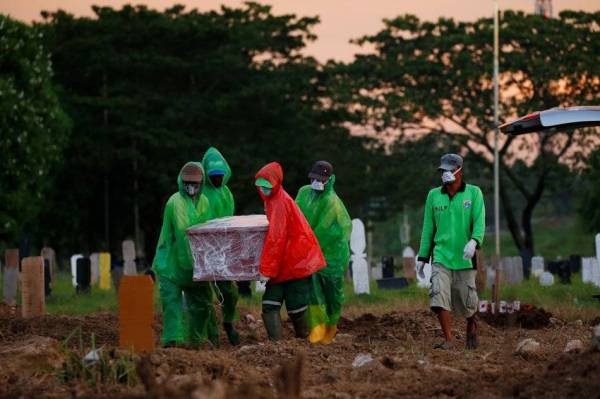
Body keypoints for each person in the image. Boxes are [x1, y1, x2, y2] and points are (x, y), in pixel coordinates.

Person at [416, 154, 485, 350]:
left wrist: (474, 241)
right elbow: (428, 228)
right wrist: (422, 257)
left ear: (460, 171)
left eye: (450, 170)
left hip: (465, 257)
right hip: (441, 256)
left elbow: (480, 222)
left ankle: (471, 324)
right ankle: (448, 339)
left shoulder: (474, 193)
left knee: (468, 301)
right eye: (443, 170)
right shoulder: (433, 196)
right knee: (438, 295)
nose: (445, 174)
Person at [254, 162, 326, 341]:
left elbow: (276, 239)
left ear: (276, 184)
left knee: (297, 305)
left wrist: (266, 270)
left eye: (267, 186)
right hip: (286, 261)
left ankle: (307, 338)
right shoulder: (273, 200)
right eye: (261, 186)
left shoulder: (279, 203)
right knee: (271, 303)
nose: (264, 189)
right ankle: (278, 344)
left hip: (296, 261)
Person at [153, 162, 216, 347]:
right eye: (188, 182)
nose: (192, 186)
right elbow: (182, 236)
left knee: (201, 305)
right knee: (172, 306)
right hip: (172, 264)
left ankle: (196, 343)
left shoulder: (204, 201)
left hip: (194, 265)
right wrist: (195, 267)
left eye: (196, 183)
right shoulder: (175, 202)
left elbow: (207, 230)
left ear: (202, 183)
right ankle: (172, 344)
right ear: (181, 181)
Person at [296, 161, 352, 345]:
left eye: (321, 179)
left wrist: (306, 244)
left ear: (329, 180)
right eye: (314, 178)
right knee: (312, 292)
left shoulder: (332, 203)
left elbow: (325, 233)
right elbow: (295, 213)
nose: (317, 182)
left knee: (332, 295)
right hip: (311, 251)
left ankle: (331, 326)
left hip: (332, 256)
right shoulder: (304, 193)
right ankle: (317, 327)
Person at [201, 147, 241, 346]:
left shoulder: (226, 193)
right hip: (205, 251)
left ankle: (228, 321)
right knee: (207, 295)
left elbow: (230, 221)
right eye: (213, 176)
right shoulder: (201, 193)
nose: (217, 179)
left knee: (230, 292)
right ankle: (212, 335)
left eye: (220, 175)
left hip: (223, 251)